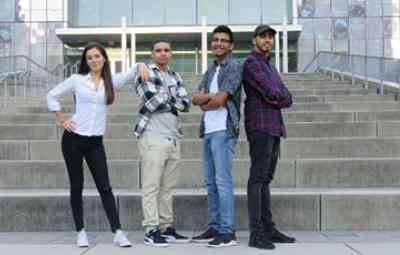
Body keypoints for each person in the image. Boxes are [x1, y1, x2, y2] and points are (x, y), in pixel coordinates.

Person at [46, 42, 149, 248]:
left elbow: (132, 71)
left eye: (97, 56)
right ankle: (80, 232)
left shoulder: (111, 81)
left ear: (104, 59)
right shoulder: (77, 80)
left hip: (95, 142)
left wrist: (141, 64)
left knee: (105, 186)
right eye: (90, 57)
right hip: (73, 140)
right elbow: (51, 95)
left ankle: (118, 232)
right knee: (77, 186)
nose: (94, 60)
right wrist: (63, 119)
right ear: (86, 61)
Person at [242, 24, 295, 250]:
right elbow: (272, 91)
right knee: (258, 178)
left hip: (274, 127)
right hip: (260, 126)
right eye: (263, 36)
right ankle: (256, 233)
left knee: (266, 179)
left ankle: (268, 229)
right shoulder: (251, 63)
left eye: (270, 37)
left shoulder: (270, 66)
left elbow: (287, 97)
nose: (267, 40)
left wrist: (278, 97)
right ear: (254, 40)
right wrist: (276, 96)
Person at [133, 39, 190, 247]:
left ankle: (166, 227)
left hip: (174, 137)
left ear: (171, 53)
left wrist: (167, 97)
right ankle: (151, 229)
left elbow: (186, 104)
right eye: (158, 50)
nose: (163, 53)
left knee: (168, 187)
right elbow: (152, 102)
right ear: (152, 54)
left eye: (167, 50)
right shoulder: (145, 73)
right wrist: (171, 99)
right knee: (151, 185)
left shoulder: (175, 75)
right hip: (153, 135)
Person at [191, 25, 242, 248]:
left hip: (224, 130)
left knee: (222, 181)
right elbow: (195, 99)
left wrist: (208, 99)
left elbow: (221, 101)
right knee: (210, 182)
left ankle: (227, 231)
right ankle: (214, 226)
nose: (218, 43)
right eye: (215, 40)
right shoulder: (210, 70)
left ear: (230, 46)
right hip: (208, 131)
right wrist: (209, 98)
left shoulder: (234, 67)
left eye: (223, 40)